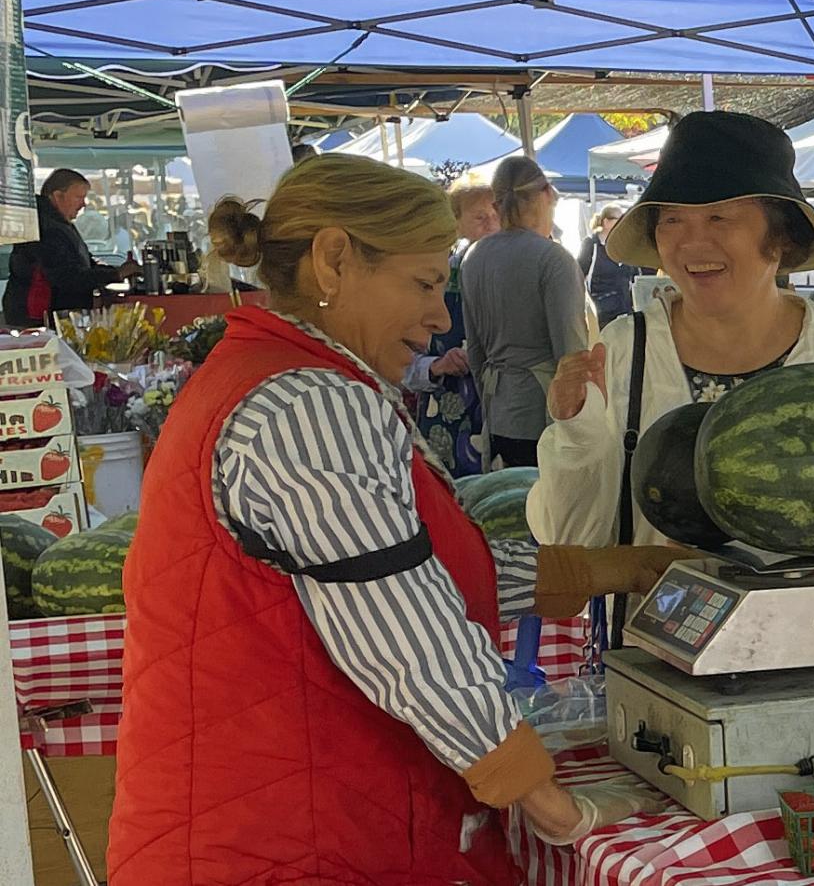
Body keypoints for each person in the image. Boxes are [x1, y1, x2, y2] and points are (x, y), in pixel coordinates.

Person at [110, 155, 672, 883]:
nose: (441, 317)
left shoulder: (278, 377)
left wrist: (611, 569)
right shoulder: (307, 404)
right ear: (334, 259)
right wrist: (549, 801)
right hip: (286, 841)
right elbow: (406, 631)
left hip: (284, 826)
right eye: (425, 282)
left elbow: (408, 570)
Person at [529, 113, 814, 548]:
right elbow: (571, 542)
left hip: (806, 617)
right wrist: (577, 431)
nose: (692, 244)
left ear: (780, 238)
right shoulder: (623, 350)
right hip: (648, 614)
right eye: (672, 220)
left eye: (719, 218)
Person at [459, 156, 591, 468]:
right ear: (547, 194)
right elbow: (572, 355)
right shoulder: (553, 259)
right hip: (546, 415)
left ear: (496, 203)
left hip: (498, 411)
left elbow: (476, 352)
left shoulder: (473, 257)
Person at [404, 180, 500, 476]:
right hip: (446, 416)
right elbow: (402, 362)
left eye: (496, 214)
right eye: (479, 217)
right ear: (456, 223)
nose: (491, 223)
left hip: (501, 410)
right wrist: (436, 366)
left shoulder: (513, 270)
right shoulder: (435, 279)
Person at [4, 168, 140, 325]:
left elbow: (84, 265)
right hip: (39, 316)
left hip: (47, 312)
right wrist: (115, 275)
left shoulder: (59, 224)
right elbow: (68, 277)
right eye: (78, 197)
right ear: (57, 196)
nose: (83, 204)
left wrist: (113, 273)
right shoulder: (46, 228)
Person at [579, 204, 641, 325]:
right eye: (619, 219)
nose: (623, 223)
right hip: (600, 313)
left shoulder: (626, 247)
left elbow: (635, 277)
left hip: (625, 311)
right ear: (606, 222)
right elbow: (579, 275)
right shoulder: (591, 245)